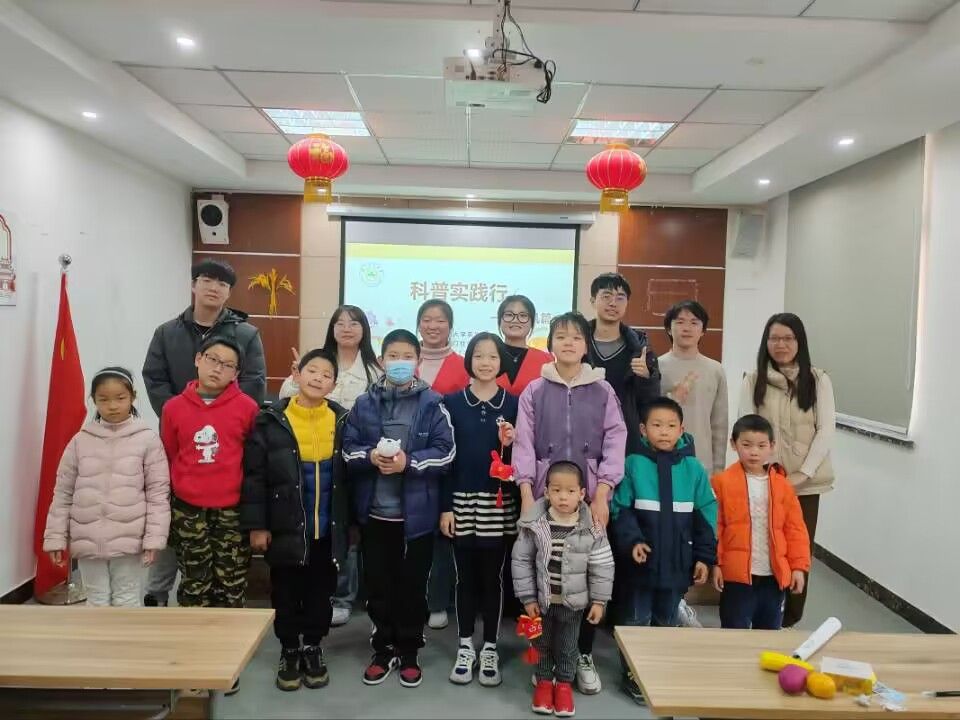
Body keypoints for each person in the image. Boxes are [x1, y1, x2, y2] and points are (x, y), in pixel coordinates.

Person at [141, 258, 266, 607]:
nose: (214, 288)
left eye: (222, 284)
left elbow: (255, 381)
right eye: (207, 280)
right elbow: (154, 378)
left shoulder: (246, 333)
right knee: (190, 565)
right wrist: (185, 413)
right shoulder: (167, 332)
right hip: (185, 442)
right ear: (194, 285)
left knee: (230, 576)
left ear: (229, 293)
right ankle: (159, 596)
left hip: (229, 456)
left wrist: (224, 412)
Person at [513, 311, 626, 696]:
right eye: (560, 336)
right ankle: (544, 661)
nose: (568, 343)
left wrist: (603, 492)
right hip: (544, 496)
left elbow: (615, 439)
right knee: (543, 573)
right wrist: (526, 493)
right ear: (549, 344)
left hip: (588, 496)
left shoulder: (603, 390)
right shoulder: (534, 390)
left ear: (586, 346)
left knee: (585, 575)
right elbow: (523, 441)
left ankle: (582, 655)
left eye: (576, 337)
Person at [342, 329, 455, 689]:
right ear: (381, 360)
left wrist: (410, 462)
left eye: (407, 356)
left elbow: (446, 452)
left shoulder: (432, 403)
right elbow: (347, 448)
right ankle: (383, 648)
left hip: (416, 518)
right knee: (378, 586)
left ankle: (409, 650)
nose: (400, 362)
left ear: (418, 361)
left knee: (412, 587)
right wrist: (370, 457)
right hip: (375, 515)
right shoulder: (364, 403)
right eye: (393, 356)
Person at [241, 348, 348, 692]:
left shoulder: (342, 420)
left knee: (321, 592)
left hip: (327, 529)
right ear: (297, 375)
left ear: (334, 385)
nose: (318, 378)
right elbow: (255, 477)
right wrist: (258, 525)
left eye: (326, 375)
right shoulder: (271, 419)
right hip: (285, 527)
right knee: (285, 591)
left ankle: (313, 646)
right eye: (312, 370)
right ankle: (289, 649)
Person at [278, 305, 382, 627]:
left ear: (364, 329)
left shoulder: (374, 370)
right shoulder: (317, 362)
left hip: (358, 459)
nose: (347, 328)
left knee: (347, 529)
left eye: (354, 323)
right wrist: (297, 377)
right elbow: (285, 400)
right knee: (316, 526)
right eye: (340, 323)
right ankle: (315, 592)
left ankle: (343, 597)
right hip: (314, 459)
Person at [610, 397, 717, 705]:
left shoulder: (694, 469)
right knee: (635, 620)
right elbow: (620, 510)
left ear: (682, 429)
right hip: (640, 567)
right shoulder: (633, 464)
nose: (664, 431)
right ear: (643, 430)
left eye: (671, 426)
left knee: (666, 621)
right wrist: (633, 541)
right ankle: (632, 673)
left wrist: (704, 557)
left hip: (676, 566)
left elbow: (706, 515)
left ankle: (657, 670)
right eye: (657, 425)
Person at [43, 367, 170, 607]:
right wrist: (55, 538)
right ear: (93, 400)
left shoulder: (147, 440)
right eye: (103, 399)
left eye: (120, 398)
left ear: (132, 397)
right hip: (88, 538)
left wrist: (154, 540)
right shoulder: (80, 441)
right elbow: (62, 493)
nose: (112, 406)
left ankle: (124, 635)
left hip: (130, 540)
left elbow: (158, 494)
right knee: (96, 600)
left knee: (127, 598)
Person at [739, 312, 835, 628]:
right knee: (761, 548)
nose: (781, 344)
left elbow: (826, 431)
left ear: (799, 342)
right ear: (766, 342)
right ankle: (761, 615)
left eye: (788, 338)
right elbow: (745, 428)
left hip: (806, 485)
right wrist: (762, 473)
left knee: (798, 550)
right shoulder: (753, 380)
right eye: (774, 338)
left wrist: (802, 474)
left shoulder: (818, 380)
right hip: (762, 482)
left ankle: (789, 619)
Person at [440, 332, 519, 688]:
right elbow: (445, 459)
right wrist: (445, 507)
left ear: (501, 362)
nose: (485, 362)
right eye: (479, 355)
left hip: (498, 504)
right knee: (464, 578)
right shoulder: (451, 403)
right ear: (469, 359)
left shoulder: (514, 403)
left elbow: (520, 459)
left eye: (492, 356)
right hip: (461, 502)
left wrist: (511, 444)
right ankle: (465, 645)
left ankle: (489, 647)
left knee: (493, 578)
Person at [161, 336, 259, 612]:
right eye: (212, 359)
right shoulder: (173, 408)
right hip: (188, 509)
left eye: (227, 365)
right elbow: (171, 453)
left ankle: (230, 639)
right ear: (198, 359)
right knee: (194, 582)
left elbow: (252, 459)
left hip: (232, 510)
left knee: (231, 583)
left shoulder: (247, 408)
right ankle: (194, 639)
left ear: (236, 374)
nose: (218, 368)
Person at [512, 461, 614, 718]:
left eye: (570, 491)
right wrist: (527, 597)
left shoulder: (592, 527)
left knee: (568, 646)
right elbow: (521, 560)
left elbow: (602, 564)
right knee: (541, 643)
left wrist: (599, 601)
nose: (563, 497)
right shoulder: (534, 524)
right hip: (542, 602)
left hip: (573, 605)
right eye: (556, 490)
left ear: (582, 494)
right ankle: (544, 682)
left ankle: (565, 685)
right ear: (546, 492)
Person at [658, 300, 728, 629]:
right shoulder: (658, 366)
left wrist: (717, 470)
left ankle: (681, 599)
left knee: (691, 533)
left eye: (694, 322)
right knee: (665, 533)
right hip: (662, 466)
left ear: (703, 330)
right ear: (669, 327)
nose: (686, 327)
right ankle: (672, 602)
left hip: (699, 468)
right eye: (680, 321)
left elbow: (719, 423)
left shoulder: (715, 370)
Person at [711, 414, 810, 630]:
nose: (754, 452)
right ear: (733, 444)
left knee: (768, 634)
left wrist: (798, 567)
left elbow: (795, 530)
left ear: (772, 447)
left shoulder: (783, 486)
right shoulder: (722, 483)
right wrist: (716, 563)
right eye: (746, 445)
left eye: (761, 445)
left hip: (773, 576)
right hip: (736, 577)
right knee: (734, 630)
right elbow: (716, 527)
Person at [416, 299, 469, 630]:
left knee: (441, 533)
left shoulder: (464, 365)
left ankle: (437, 601)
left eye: (440, 320)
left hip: (448, 460)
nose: (432, 326)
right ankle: (410, 598)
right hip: (406, 462)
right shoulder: (404, 359)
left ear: (450, 326)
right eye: (426, 319)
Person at [586, 273, 661, 451]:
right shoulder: (578, 341)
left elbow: (651, 402)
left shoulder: (640, 347)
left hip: (626, 440)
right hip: (584, 434)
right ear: (593, 301)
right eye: (606, 296)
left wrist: (646, 377)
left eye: (620, 298)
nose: (613, 303)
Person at [495, 294, 553, 396]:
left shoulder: (547, 361)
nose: (515, 320)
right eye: (509, 315)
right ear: (500, 320)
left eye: (523, 316)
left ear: (532, 323)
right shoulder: (486, 357)